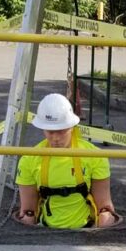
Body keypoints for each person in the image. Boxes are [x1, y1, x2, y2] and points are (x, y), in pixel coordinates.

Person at [16, 93, 118, 229]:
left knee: (106, 215)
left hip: (86, 229)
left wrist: (102, 228)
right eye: (50, 131)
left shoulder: (94, 155)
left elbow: (103, 206)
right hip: (45, 230)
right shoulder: (29, 159)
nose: (56, 138)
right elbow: (29, 210)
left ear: (72, 126)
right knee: (27, 217)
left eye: (61, 131)